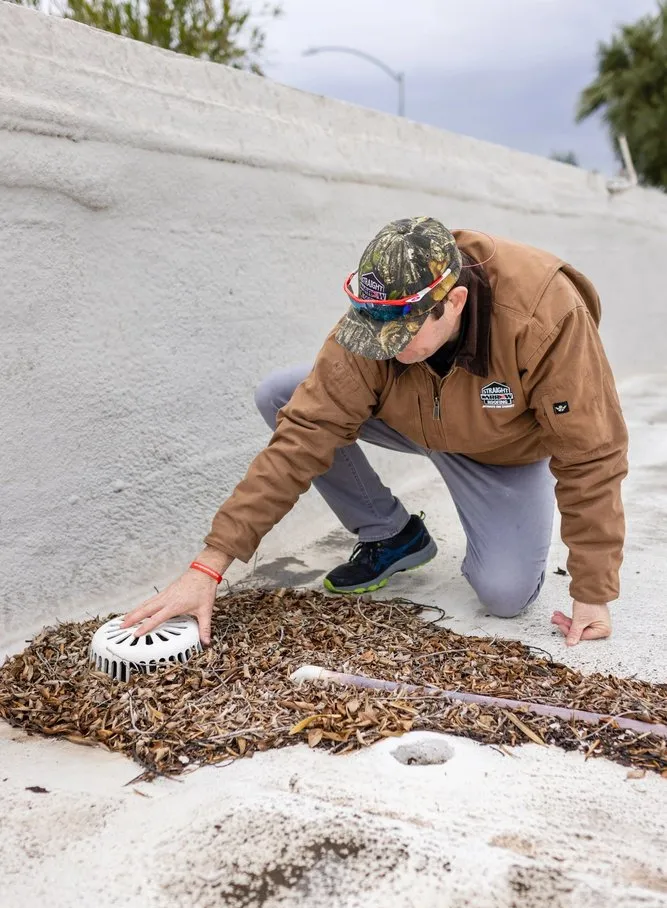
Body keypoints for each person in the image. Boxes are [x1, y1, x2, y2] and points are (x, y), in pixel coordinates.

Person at [122, 217, 628, 648]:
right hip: (411, 421)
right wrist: (208, 567)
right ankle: (391, 533)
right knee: (283, 395)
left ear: (452, 303)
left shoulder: (545, 314)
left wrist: (593, 591)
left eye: (401, 336)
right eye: (376, 332)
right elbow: (303, 435)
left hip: (501, 449)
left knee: (504, 595)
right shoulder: (378, 316)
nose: (383, 348)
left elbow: (591, 453)